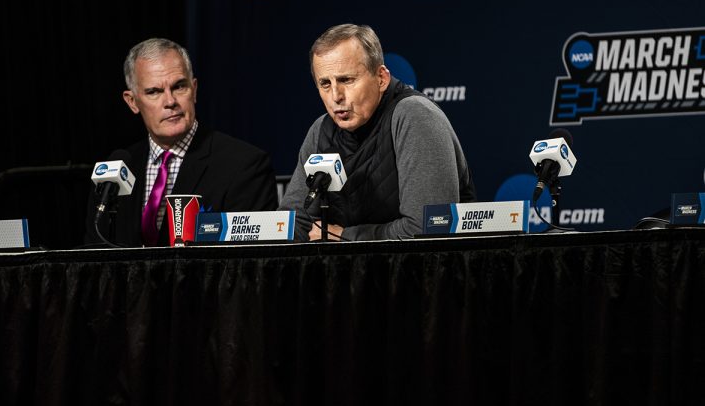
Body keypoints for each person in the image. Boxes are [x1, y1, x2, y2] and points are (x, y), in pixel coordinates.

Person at [279, 24, 475, 241]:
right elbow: (293, 225)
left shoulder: (415, 116)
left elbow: (429, 228)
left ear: (381, 78)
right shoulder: (322, 130)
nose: (336, 96)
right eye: (325, 83)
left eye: (346, 80)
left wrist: (346, 237)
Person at [85, 38, 278, 246]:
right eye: (154, 92)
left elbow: (249, 265)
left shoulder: (244, 165)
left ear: (194, 90)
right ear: (132, 102)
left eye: (179, 87)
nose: (170, 102)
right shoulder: (117, 169)